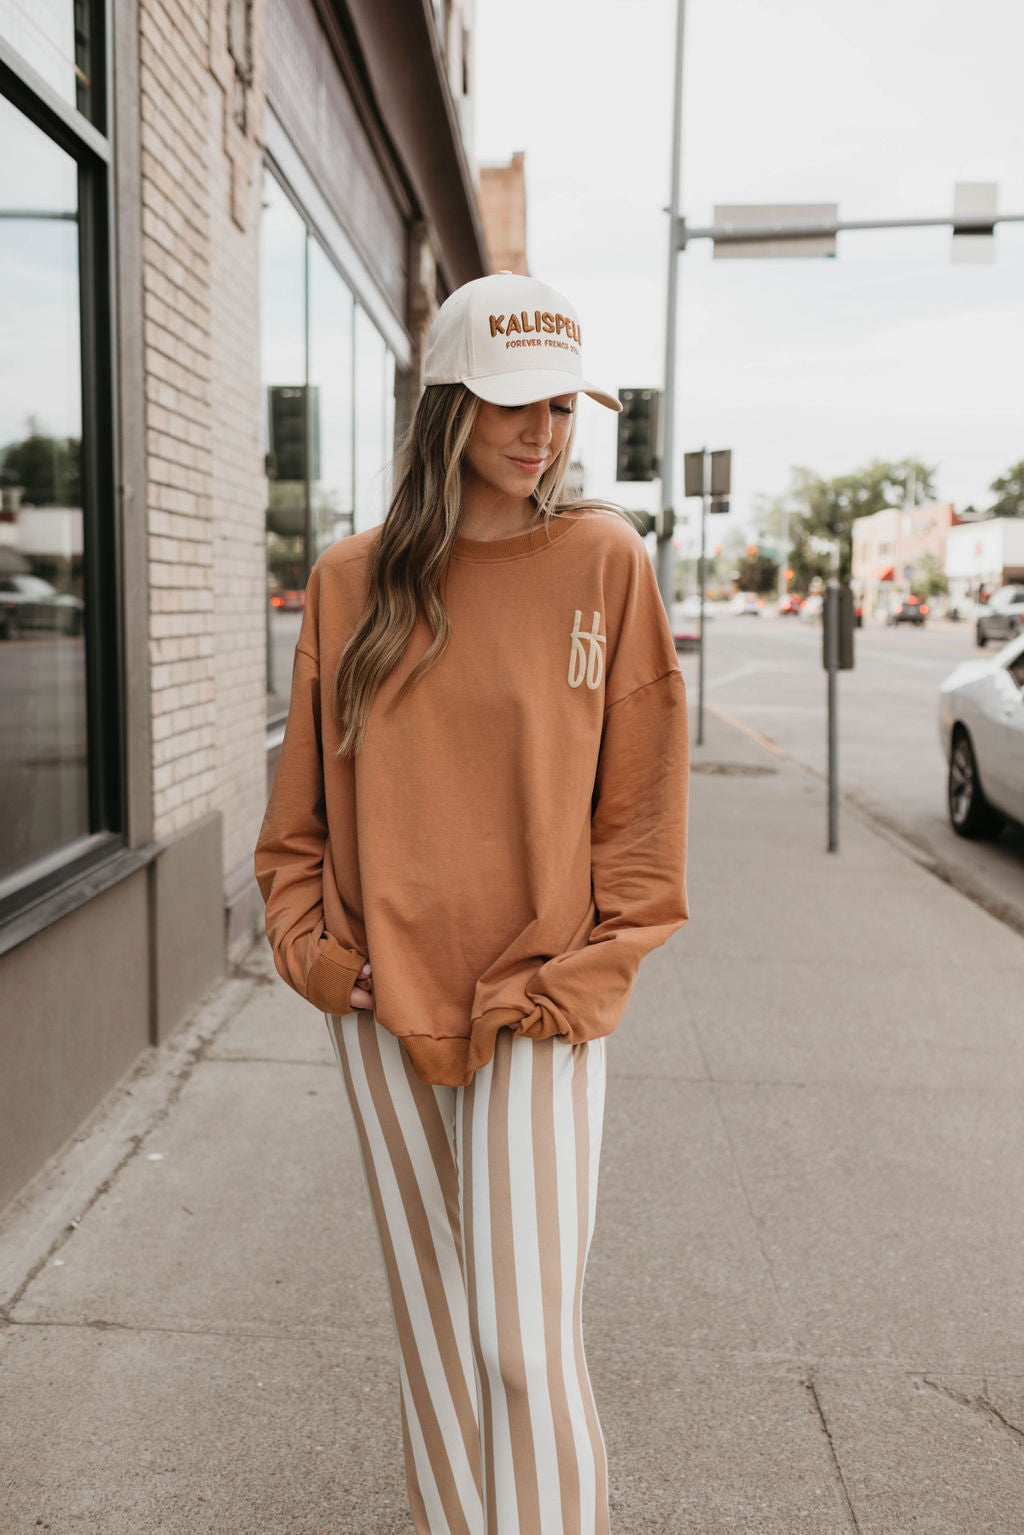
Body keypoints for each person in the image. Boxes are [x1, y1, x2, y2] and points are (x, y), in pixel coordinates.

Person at [254, 270, 690, 1535]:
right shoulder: (350, 582)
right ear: (445, 403)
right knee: (437, 1332)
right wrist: (332, 967)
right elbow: (295, 833)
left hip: (539, 999)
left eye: (560, 406)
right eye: (513, 404)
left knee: (517, 1334)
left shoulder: (606, 560)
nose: (541, 433)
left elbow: (644, 819)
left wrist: (589, 973)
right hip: (382, 1001)